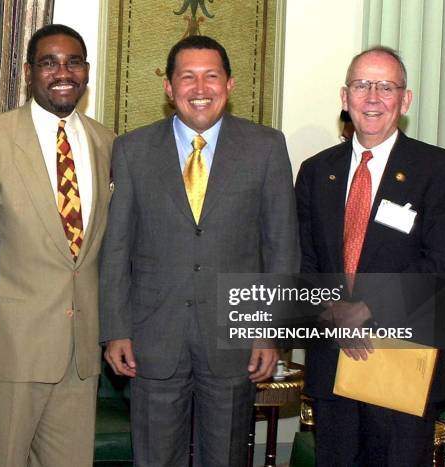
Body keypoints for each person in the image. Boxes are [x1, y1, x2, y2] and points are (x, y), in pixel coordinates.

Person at [99, 35, 299, 466]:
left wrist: (271, 331)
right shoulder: (132, 149)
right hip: (154, 338)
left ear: (230, 84)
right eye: (187, 77)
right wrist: (116, 328)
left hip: (236, 340)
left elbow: (282, 247)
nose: (200, 87)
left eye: (211, 76)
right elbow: (117, 247)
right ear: (169, 89)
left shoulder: (266, 147)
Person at [295, 46, 445, 466]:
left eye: (385, 86)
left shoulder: (438, 169)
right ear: (344, 96)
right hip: (333, 356)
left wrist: (367, 309)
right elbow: (303, 260)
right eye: (362, 85)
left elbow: (443, 261)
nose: (372, 97)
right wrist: (334, 312)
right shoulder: (317, 170)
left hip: (402, 360)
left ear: (404, 100)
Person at [0, 24, 115, 467]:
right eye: (49, 62)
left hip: (80, 353)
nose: (62, 72)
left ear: (86, 71)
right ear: (29, 72)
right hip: (9, 349)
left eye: (73, 62)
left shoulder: (108, 144)